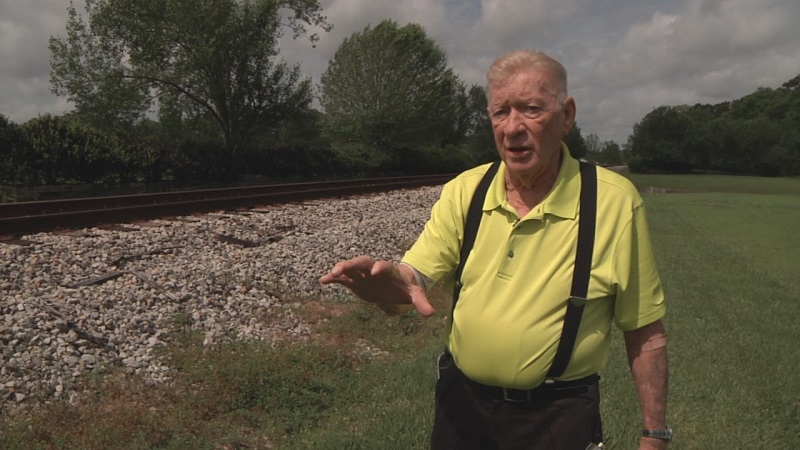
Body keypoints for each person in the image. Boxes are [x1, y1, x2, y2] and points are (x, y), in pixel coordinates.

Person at [320, 50, 669, 450]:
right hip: (461, 408)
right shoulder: (466, 190)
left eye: (531, 109)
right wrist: (385, 287)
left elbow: (644, 331)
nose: (513, 128)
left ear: (567, 115)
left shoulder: (612, 202)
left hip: (557, 416)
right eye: (500, 113)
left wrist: (654, 434)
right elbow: (412, 280)